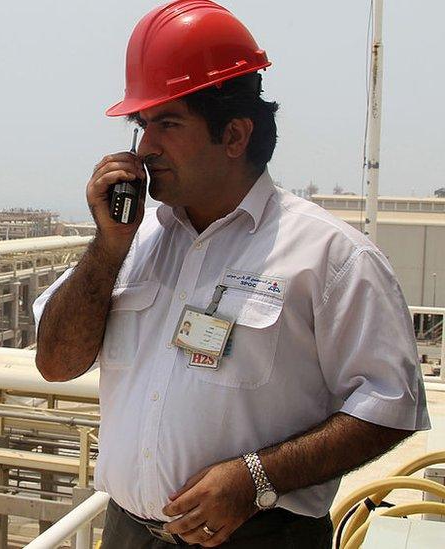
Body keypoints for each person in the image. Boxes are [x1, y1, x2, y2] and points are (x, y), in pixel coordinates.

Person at [33, 1, 430, 547]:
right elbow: (56, 363)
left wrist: (257, 478)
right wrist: (107, 246)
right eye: (141, 125)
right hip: (130, 531)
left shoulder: (330, 258)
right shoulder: (133, 242)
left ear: (235, 136)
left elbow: (390, 405)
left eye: (168, 123)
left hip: (261, 535)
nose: (145, 149)